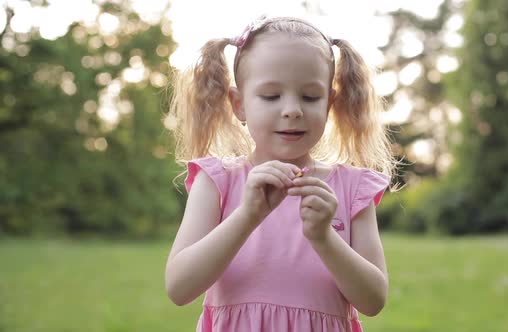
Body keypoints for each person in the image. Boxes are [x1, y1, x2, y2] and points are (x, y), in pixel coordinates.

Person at [165, 16, 396, 332]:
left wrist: (324, 237)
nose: (292, 110)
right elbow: (179, 288)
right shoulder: (217, 181)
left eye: (310, 97)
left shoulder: (352, 189)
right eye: (271, 96)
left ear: (329, 104)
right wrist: (247, 216)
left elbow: (373, 301)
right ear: (239, 104)